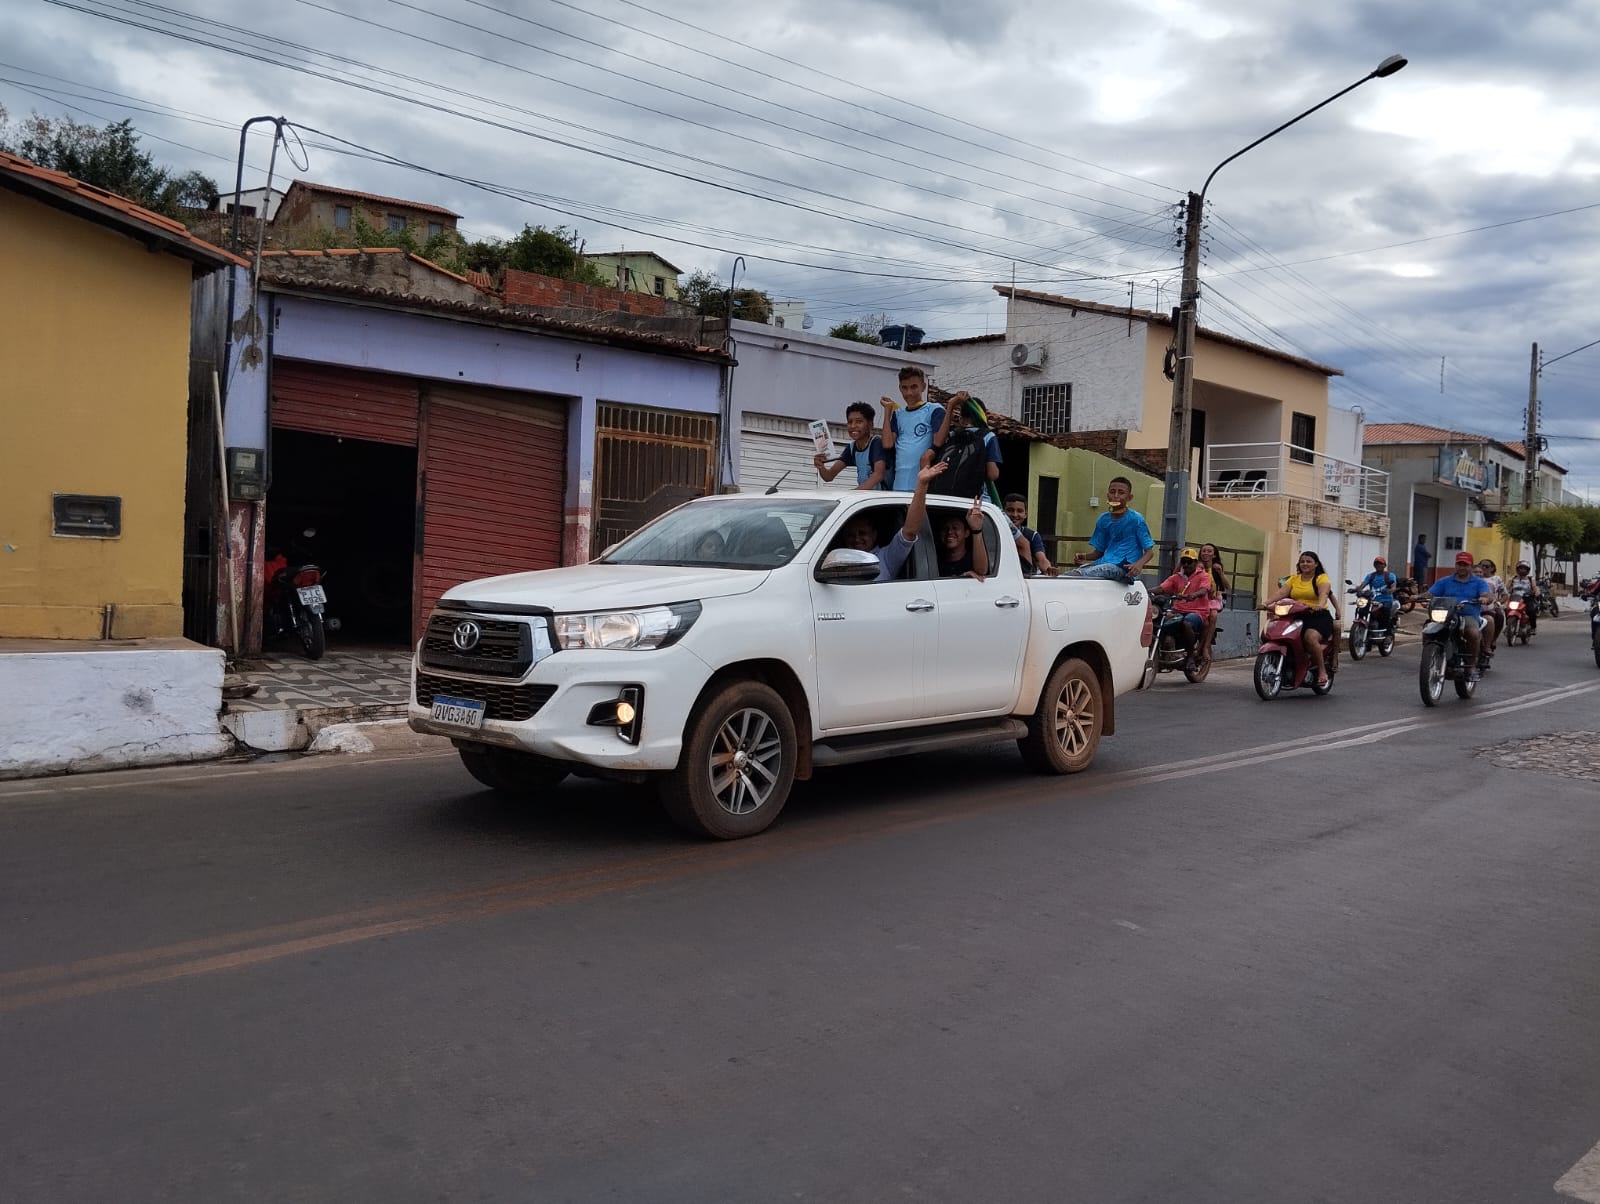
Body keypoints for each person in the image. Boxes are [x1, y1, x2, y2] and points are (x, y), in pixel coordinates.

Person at [828, 461, 947, 584]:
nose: (857, 538)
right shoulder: (834, 561)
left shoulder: (885, 558)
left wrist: (922, 484)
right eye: (851, 535)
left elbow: (910, 532)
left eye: (862, 533)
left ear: (874, 535)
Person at [1263, 550, 1335, 687]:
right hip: (1295, 614)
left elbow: (1324, 592)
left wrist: (1319, 605)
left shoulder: (1321, 578)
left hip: (1317, 616)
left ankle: (1321, 670)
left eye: (1309, 561)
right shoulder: (1294, 579)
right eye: (1302, 561)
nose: (1305, 564)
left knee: (1310, 637)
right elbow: (1281, 592)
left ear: (1316, 564)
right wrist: (1266, 603)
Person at [1065, 476, 1155, 581]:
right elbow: (1099, 553)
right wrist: (1083, 556)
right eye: (1112, 492)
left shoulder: (1136, 519)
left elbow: (1149, 552)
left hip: (1123, 568)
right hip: (1103, 563)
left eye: (1121, 493)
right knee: (1071, 574)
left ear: (1129, 497)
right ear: (1107, 495)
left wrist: (1138, 564)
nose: (1116, 496)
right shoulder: (1103, 519)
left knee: (1100, 570)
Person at [879, 368, 948, 492]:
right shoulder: (898, 414)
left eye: (914, 387)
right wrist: (887, 412)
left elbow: (938, 441)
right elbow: (887, 444)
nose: (909, 392)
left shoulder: (934, 410)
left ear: (923, 386)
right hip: (898, 486)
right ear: (900, 388)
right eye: (904, 388)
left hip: (922, 487)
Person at [1428, 551, 1493, 680]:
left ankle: (1470, 667)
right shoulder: (1445, 581)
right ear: (1455, 565)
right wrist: (1417, 597)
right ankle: (1430, 656)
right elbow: (1431, 594)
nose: (1462, 567)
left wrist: (1484, 598)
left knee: (1473, 633)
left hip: (1468, 615)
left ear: (1471, 566)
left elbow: (1486, 595)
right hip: (1447, 614)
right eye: (1459, 564)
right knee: (1428, 628)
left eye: (1465, 564)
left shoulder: (1478, 582)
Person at [1154, 546, 1214, 669]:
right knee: (1158, 621)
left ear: (1195, 562)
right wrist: (1145, 591)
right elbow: (1162, 588)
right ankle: (1165, 649)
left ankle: (1190, 657)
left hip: (1197, 611)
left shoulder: (1203, 576)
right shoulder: (1176, 577)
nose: (1186, 564)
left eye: (1189, 561)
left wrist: (1194, 595)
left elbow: (1204, 589)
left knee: (1187, 623)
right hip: (1177, 610)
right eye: (1183, 561)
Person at [814, 401, 888, 490]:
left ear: (870, 425)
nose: (853, 426)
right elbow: (829, 476)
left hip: (884, 500)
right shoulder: (852, 448)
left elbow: (878, 475)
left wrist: (854, 494)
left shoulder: (876, 443)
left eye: (859, 422)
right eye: (850, 422)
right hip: (867, 499)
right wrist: (820, 466)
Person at [934, 499, 990, 581]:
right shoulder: (934, 559)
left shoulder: (972, 558)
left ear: (966, 533)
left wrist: (976, 530)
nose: (949, 532)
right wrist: (961, 576)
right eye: (945, 528)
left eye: (955, 528)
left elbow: (981, 571)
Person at [1003, 493, 1055, 576]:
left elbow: (1041, 559)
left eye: (1019, 511)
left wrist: (1048, 569)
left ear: (1025, 514)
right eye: (1010, 510)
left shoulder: (1032, 535)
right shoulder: (997, 532)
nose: (1015, 514)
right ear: (1003, 513)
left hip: (1026, 577)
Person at [1197, 542, 1228, 653]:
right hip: (1197, 598)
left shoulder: (1216, 569)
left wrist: (1220, 573)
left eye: (1209, 551)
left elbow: (1226, 586)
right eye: (1204, 551)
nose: (1206, 553)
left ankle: (1206, 644)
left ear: (1214, 555)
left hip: (1211, 599)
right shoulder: (1196, 567)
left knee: (1213, 615)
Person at [1476, 558, 1507, 657]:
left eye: (1487, 566)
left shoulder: (1496, 579)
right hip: (1474, 605)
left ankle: (1492, 641)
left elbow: (1505, 595)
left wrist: (1497, 603)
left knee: (1499, 616)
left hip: (1490, 605)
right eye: (1481, 566)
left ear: (1492, 568)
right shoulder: (1474, 578)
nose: (1484, 568)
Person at [1360, 556, 1398, 630]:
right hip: (1372, 601)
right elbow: (1362, 585)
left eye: (1380, 563)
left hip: (1385, 600)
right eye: (1376, 563)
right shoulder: (1370, 576)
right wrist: (1356, 589)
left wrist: (1389, 590)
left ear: (1384, 565)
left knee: (1386, 610)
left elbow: (1393, 587)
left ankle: (1388, 633)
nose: (1378, 565)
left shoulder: (1390, 575)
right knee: (1361, 608)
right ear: (1374, 565)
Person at [1508, 561, 1540, 633]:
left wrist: (1535, 592)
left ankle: (1533, 627)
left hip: (1527, 599)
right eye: (1520, 568)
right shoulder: (1512, 579)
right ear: (1517, 569)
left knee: (1531, 611)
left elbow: (1535, 588)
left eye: (1524, 569)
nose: (1522, 570)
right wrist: (1506, 593)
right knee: (1506, 608)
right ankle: (1509, 625)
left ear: (1528, 570)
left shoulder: (1531, 579)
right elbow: (1506, 588)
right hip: (1514, 598)